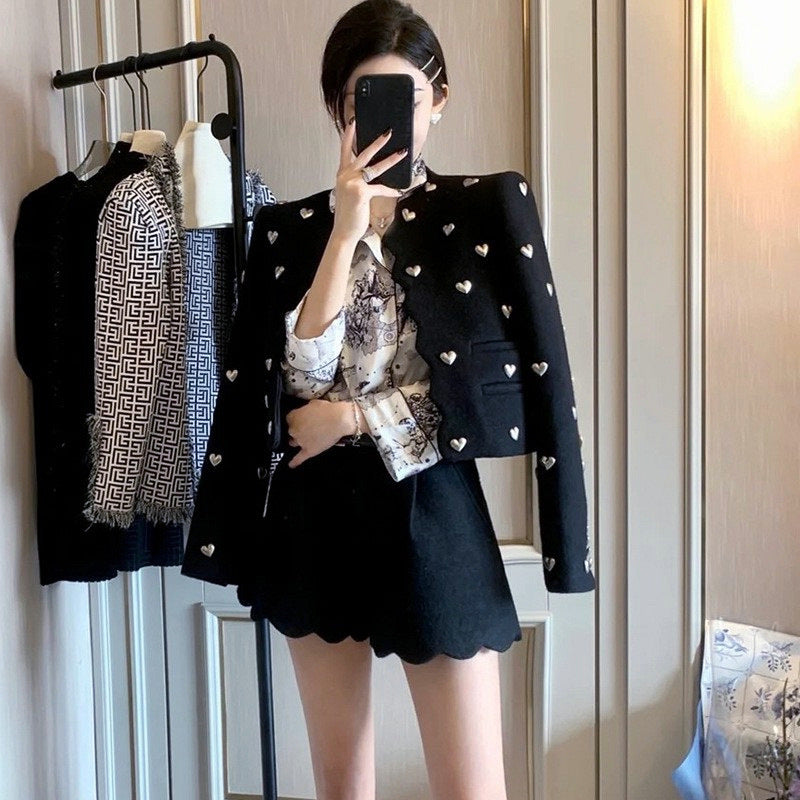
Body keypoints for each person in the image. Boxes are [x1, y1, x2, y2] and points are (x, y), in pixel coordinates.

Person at [260, 2, 523, 798]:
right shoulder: (291, 229)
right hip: (318, 514)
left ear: (438, 99)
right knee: (341, 786)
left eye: (405, 96)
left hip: (435, 508)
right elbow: (301, 379)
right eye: (358, 103)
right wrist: (344, 232)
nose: (381, 120)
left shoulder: (480, 215)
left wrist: (353, 418)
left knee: (472, 788)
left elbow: (488, 397)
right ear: (336, 112)